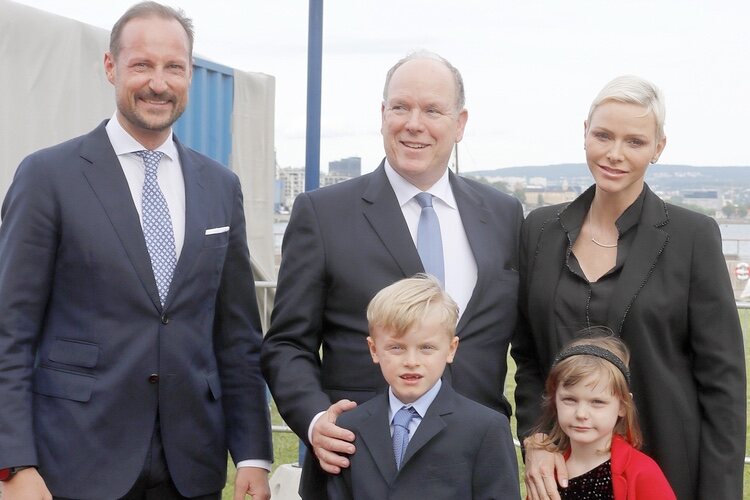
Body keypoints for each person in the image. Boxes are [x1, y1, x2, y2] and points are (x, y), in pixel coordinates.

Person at [0, 2, 272, 499]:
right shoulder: (47, 177)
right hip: (74, 462)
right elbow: (9, 331)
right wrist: (12, 462)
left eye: (174, 67)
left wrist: (253, 453)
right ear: (110, 68)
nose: (159, 83)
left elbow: (236, 335)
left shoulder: (219, 186)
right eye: (142, 65)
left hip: (191, 468)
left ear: (188, 74)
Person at [261, 50, 523, 498]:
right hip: (358, 466)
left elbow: (527, 345)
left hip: (474, 469)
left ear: (460, 123)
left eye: (432, 110)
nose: (414, 123)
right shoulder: (323, 214)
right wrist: (315, 419)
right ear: (383, 115)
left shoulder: (502, 215)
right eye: (401, 107)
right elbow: (287, 344)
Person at [512, 75, 746, 500]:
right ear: (585, 132)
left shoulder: (693, 236)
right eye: (603, 135)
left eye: (635, 142)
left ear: (658, 148)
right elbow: (527, 357)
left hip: (666, 466)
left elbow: (723, 383)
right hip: (564, 472)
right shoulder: (539, 230)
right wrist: (535, 440)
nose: (614, 154)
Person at [327, 274, 520, 500]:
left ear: (451, 349)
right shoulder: (348, 428)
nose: (411, 361)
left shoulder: (486, 428)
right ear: (373, 349)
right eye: (396, 348)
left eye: (426, 347)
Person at [531, 333, 675, 500]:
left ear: (622, 405)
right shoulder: (547, 472)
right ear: (554, 400)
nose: (581, 414)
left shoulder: (642, 472)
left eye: (597, 402)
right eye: (570, 400)